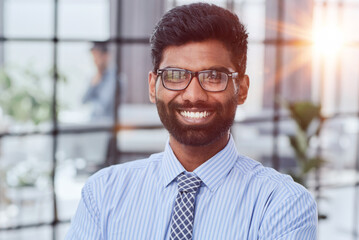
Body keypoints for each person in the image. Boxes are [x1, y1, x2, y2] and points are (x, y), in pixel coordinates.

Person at [66, 3, 317, 239]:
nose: (194, 95)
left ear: (241, 89)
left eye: (214, 76)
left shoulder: (282, 203)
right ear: (153, 87)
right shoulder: (103, 193)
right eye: (175, 76)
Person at [82, 41, 117, 121]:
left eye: (96, 57)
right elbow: (82, 101)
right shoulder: (93, 77)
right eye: (93, 57)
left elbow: (102, 106)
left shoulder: (115, 78)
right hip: (92, 122)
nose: (94, 61)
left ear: (106, 56)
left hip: (108, 124)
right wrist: (92, 85)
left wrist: (91, 102)